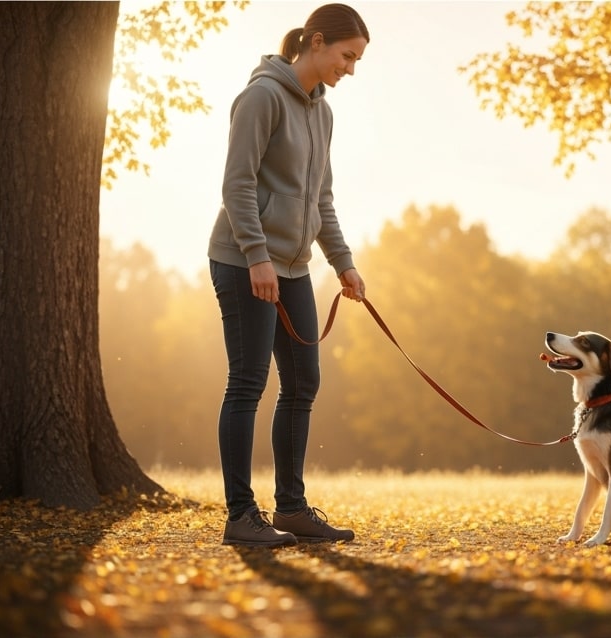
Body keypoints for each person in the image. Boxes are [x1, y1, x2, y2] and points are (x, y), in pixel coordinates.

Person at [207, 3, 369, 547]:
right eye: (347, 56)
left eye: (356, 61)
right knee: (248, 382)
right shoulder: (261, 97)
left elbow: (320, 198)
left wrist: (343, 263)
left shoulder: (322, 112)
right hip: (241, 259)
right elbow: (238, 185)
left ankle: (292, 509)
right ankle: (239, 515)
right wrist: (256, 256)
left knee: (303, 382)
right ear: (316, 42)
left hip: (294, 267)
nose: (350, 69)